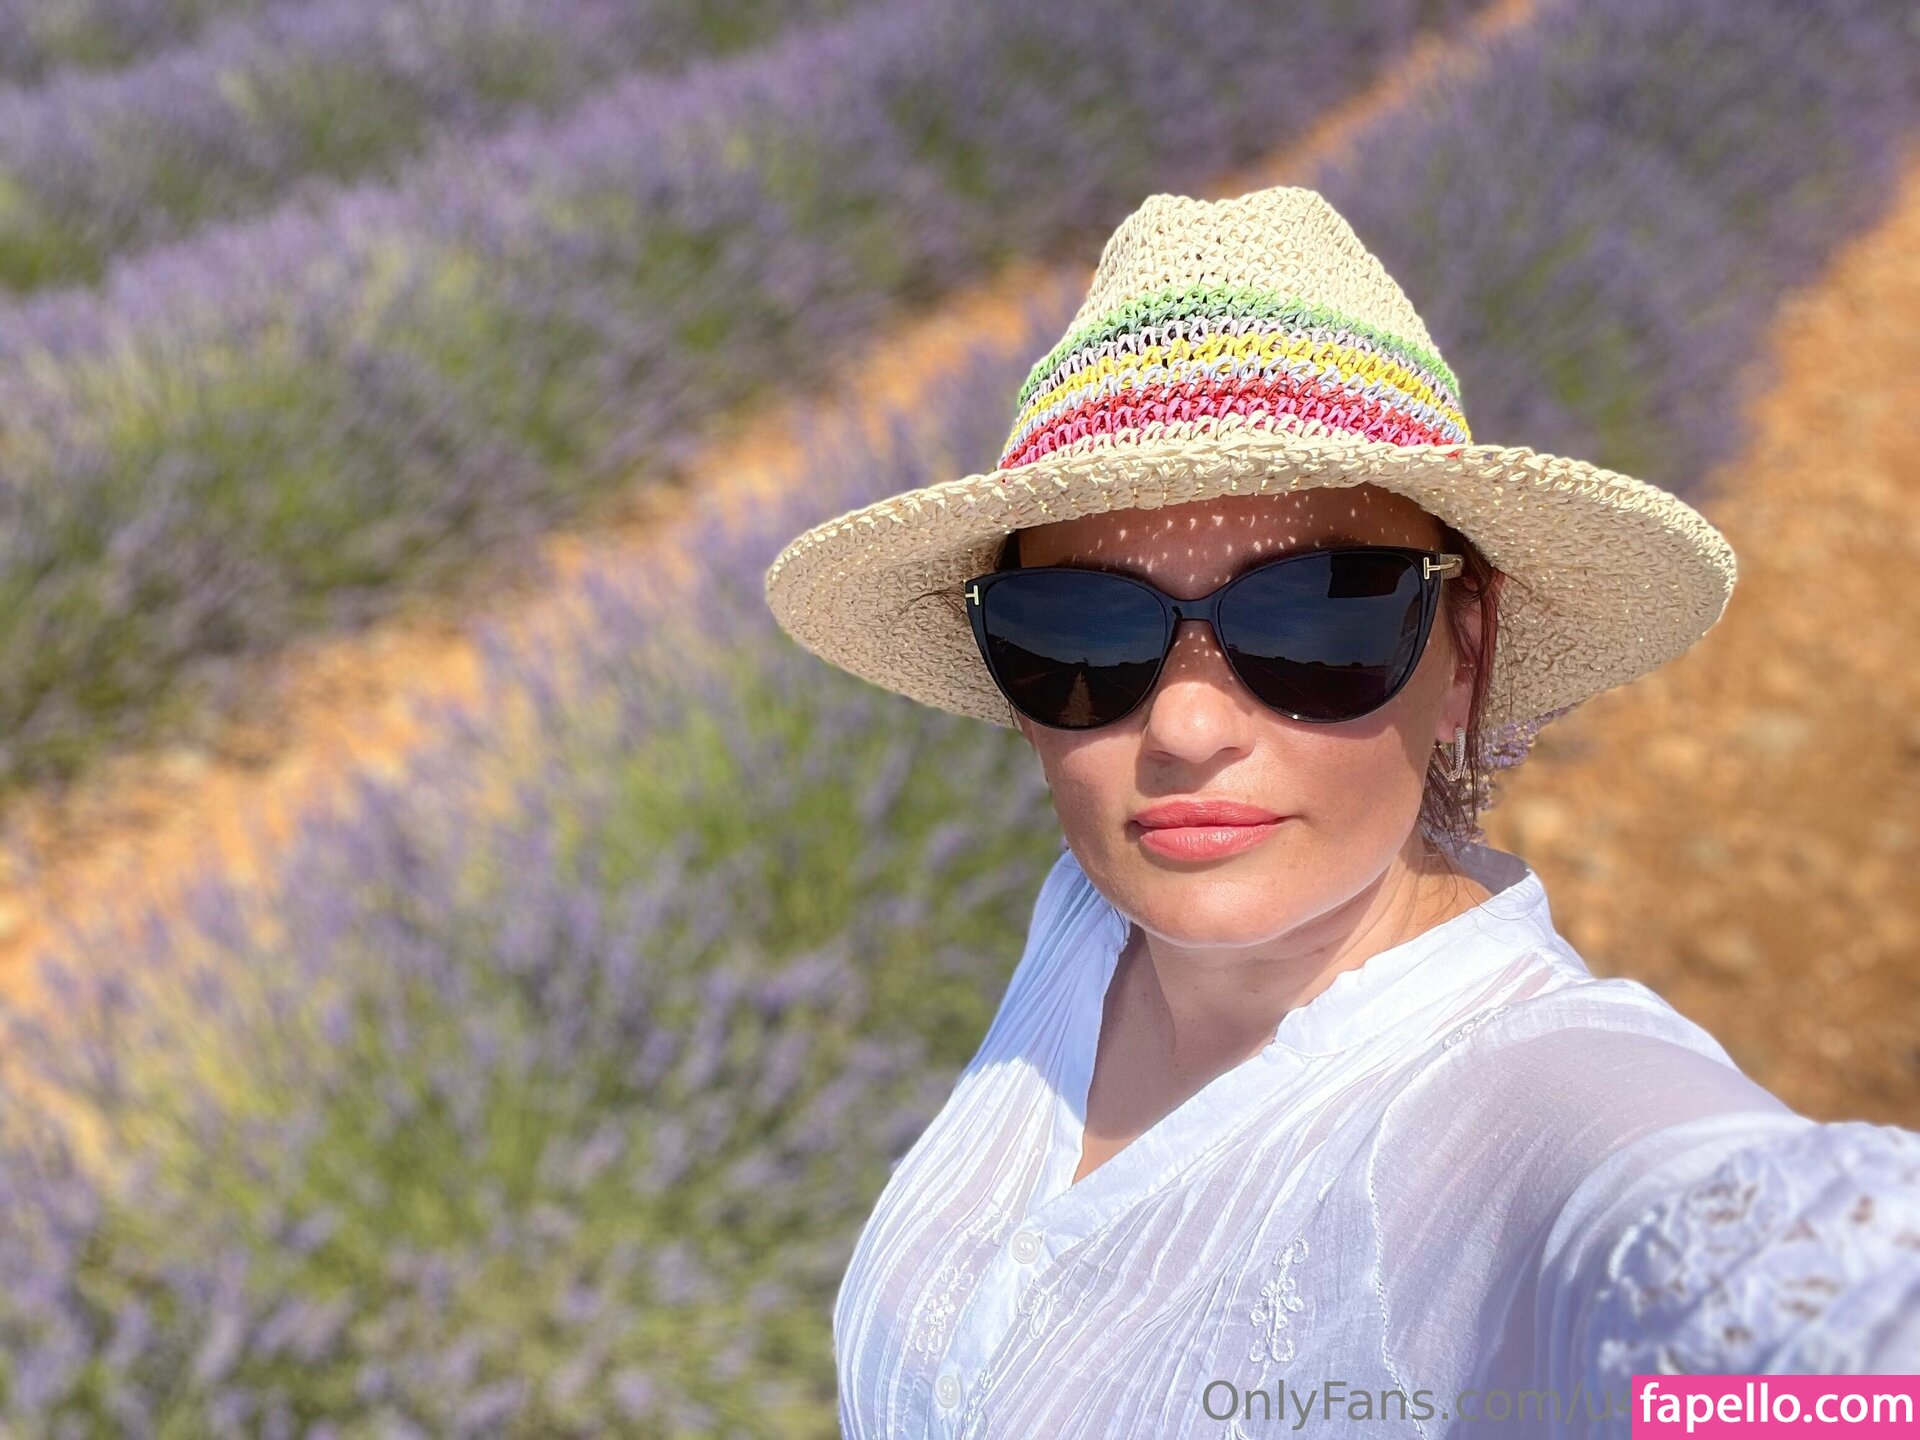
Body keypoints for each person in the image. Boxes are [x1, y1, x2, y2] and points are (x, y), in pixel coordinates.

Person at [761, 185, 1920, 1439]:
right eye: (1083, 632)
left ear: (1463, 650)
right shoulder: (1092, 924)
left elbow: (1819, 1326)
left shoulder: (1535, 1110)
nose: (1183, 729)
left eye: (1315, 618)